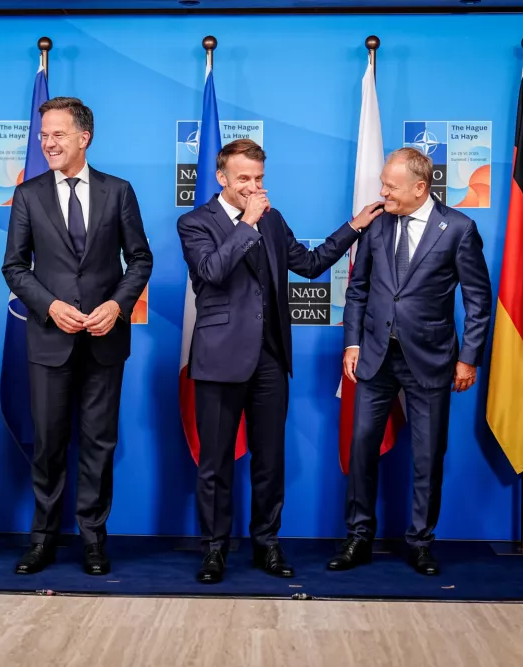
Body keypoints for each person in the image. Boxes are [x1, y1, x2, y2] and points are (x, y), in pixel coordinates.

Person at [177, 139, 379, 584]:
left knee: (270, 461)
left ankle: (266, 544)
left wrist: (354, 226)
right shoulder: (195, 222)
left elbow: (308, 264)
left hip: (270, 359)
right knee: (216, 463)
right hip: (219, 359)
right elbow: (211, 272)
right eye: (244, 179)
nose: (253, 187)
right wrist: (246, 224)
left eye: (259, 179)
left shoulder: (274, 220)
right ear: (222, 178)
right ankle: (214, 550)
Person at [2, 97, 152, 576]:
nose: (47, 143)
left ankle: (93, 540)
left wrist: (116, 305)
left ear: (83, 138)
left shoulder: (118, 191)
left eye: (57, 134)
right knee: (47, 444)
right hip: (49, 340)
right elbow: (13, 267)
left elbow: (141, 259)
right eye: (43, 135)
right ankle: (43, 539)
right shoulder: (28, 195)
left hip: (105, 341)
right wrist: (49, 306)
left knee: (99, 444)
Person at [335, 147, 492, 576]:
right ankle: (358, 538)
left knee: (427, 455)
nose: (382, 192)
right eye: (383, 183)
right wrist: (352, 343)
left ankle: (421, 542)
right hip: (375, 359)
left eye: (390, 186)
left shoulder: (459, 228)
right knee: (362, 447)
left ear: (420, 187)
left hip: (432, 360)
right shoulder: (377, 225)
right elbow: (357, 290)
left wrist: (468, 359)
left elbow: (478, 301)